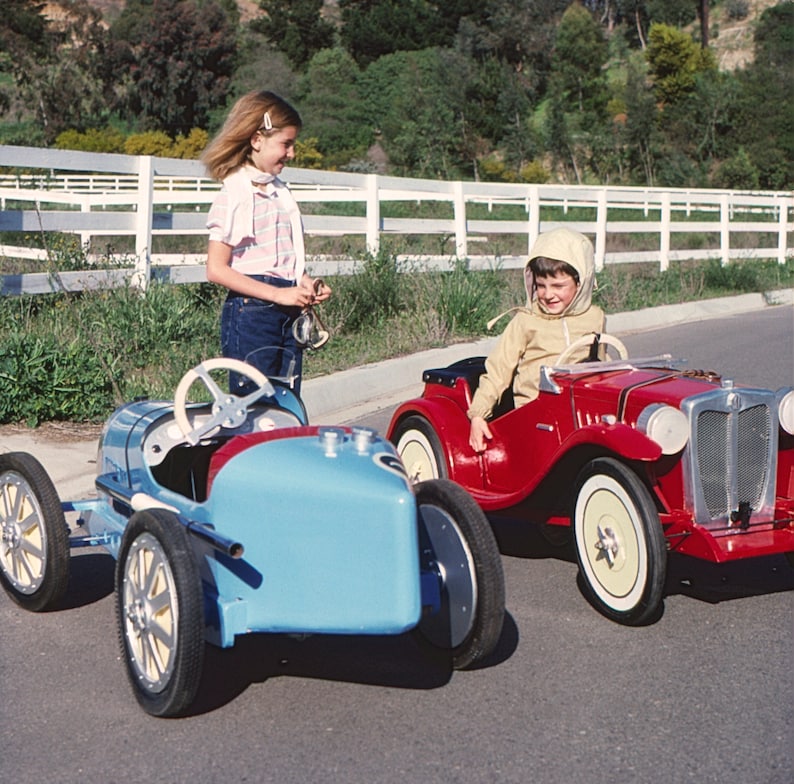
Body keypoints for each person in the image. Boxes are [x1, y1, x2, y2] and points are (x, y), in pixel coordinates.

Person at [202, 90, 330, 396]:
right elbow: (216, 270)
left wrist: (304, 282)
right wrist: (277, 294)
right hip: (253, 314)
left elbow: (275, 259)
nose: (292, 154)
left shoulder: (278, 194)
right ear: (257, 140)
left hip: (286, 311)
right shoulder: (235, 193)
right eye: (286, 144)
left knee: (286, 401)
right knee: (252, 406)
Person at [468, 227, 605, 452]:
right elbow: (498, 370)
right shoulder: (526, 321)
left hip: (580, 413)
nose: (548, 294)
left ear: (580, 283)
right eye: (541, 286)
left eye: (558, 286)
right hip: (535, 417)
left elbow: (603, 365)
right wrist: (478, 415)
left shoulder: (594, 317)